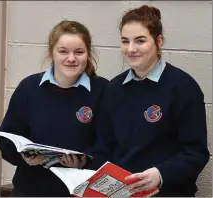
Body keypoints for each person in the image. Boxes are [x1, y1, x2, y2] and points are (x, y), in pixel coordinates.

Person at [64, 5, 210, 197]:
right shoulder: (113, 89)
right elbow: (103, 148)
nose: (131, 49)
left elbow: (196, 153)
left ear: (159, 41)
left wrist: (160, 174)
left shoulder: (183, 87)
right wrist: (86, 171)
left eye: (140, 41)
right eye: (125, 41)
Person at [0, 20, 108, 197]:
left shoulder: (102, 91)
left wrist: (84, 161)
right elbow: (7, 139)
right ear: (52, 52)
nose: (71, 58)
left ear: (88, 54)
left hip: (80, 192)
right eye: (63, 51)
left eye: (79, 52)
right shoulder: (29, 88)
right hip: (30, 190)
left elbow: (109, 142)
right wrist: (24, 158)